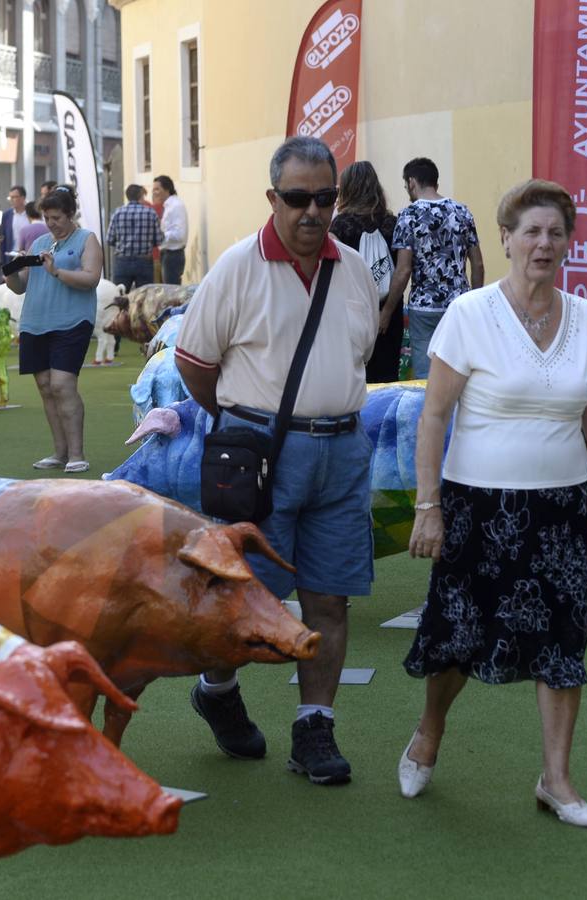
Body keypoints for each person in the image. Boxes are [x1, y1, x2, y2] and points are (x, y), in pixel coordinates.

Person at [399, 179, 587, 826]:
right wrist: (428, 506)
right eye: (530, 231)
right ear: (504, 239)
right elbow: (432, 415)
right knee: (457, 636)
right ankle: (428, 731)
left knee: (563, 640)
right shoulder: (469, 314)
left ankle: (555, 781)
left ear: (567, 243)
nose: (543, 243)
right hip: (476, 505)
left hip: (562, 510)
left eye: (555, 232)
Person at [174, 136, 378, 785]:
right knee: (243, 603)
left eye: (324, 197)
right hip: (261, 455)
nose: (312, 211)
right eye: (297, 198)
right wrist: (242, 425)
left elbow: (356, 356)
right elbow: (194, 363)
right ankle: (217, 689)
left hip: (341, 453)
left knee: (330, 600)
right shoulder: (235, 267)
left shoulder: (351, 269)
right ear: (273, 198)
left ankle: (313, 728)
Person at [4, 185, 102, 474]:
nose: (51, 223)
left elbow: (91, 278)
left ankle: (76, 454)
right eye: (47, 217)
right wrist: (10, 273)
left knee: (61, 385)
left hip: (72, 322)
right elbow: (21, 287)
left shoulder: (87, 239)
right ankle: (60, 453)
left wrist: (56, 271)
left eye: (57, 217)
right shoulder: (38, 244)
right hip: (35, 322)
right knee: (46, 388)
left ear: (70, 214)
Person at [387, 157, 484, 378]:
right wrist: (475, 302)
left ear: (411, 182)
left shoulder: (408, 216)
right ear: (435, 183)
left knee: (426, 378)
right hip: (459, 305)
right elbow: (477, 264)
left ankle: (430, 413)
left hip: (424, 308)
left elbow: (403, 271)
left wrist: (387, 310)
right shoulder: (462, 212)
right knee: (459, 372)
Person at [329, 161, 401, 382]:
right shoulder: (393, 223)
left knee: (356, 375)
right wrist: (387, 312)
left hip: (353, 310)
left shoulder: (340, 226)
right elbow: (401, 271)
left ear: (348, 188)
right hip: (390, 312)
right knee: (387, 377)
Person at [108, 183, 164, 291]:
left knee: (120, 296)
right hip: (144, 261)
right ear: (141, 196)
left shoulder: (117, 213)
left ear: (127, 196)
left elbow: (109, 239)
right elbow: (158, 240)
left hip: (122, 262)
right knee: (144, 297)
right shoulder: (151, 213)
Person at [152, 175, 187, 284]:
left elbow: (180, 234)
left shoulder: (176, 206)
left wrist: (160, 235)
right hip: (167, 254)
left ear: (167, 189)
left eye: (157, 189)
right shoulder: (168, 205)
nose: (154, 192)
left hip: (173, 255)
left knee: (171, 293)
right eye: (153, 189)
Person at [1, 185, 29, 255]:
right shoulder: (7, 215)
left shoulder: (31, 213)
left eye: (14, 197)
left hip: (28, 254)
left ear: (23, 198)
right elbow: (3, 238)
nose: (11, 200)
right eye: (10, 197)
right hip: (12, 254)